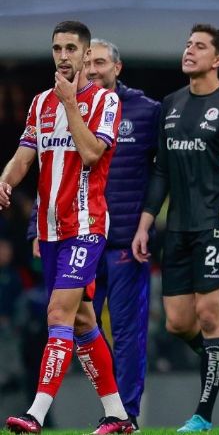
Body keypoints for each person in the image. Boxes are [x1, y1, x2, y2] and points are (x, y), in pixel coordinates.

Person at [131, 23, 219, 432]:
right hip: (178, 228)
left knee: (211, 315)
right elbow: (161, 171)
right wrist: (145, 225)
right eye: (188, 44)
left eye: (199, 47)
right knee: (178, 323)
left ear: (218, 59)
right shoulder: (171, 104)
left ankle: (202, 416)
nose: (189, 51)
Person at [2, 20, 133, 434]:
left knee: (57, 311)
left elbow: (93, 154)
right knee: (80, 321)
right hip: (50, 230)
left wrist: (71, 104)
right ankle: (119, 416)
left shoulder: (105, 102)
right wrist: (5, 180)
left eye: (71, 49)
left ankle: (34, 414)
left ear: (84, 54)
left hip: (86, 226)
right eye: (57, 48)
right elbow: (26, 154)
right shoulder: (40, 103)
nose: (63, 56)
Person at [26, 38, 161, 431]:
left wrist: (147, 225)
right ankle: (116, 414)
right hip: (63, 233)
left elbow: (161, 172)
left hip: (115, 238)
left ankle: (47, 413)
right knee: (82, 321)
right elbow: (50, 169)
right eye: (91, 60)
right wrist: (38, 223)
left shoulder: (142, 110)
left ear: (116, 67)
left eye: (100, 61)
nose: (94, 67)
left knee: (121, 330)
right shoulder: (49, 102)